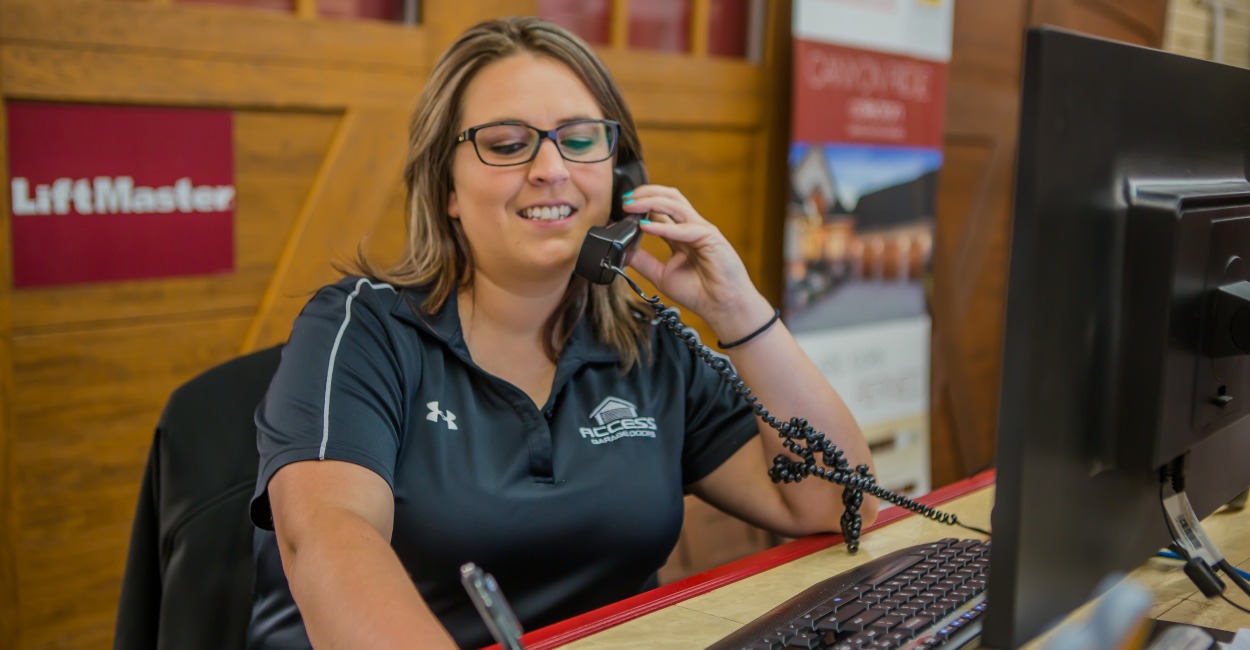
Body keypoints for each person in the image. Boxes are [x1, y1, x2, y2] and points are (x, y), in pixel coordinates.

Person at [246, 16, 877, 650]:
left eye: (579, 140)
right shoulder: (363, 329)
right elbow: (327, 535)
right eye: (506, 142)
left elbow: (831, 506)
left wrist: (738, 310)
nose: (551, 168)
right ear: (448, 190)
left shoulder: (650, 348)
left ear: (620, 180)